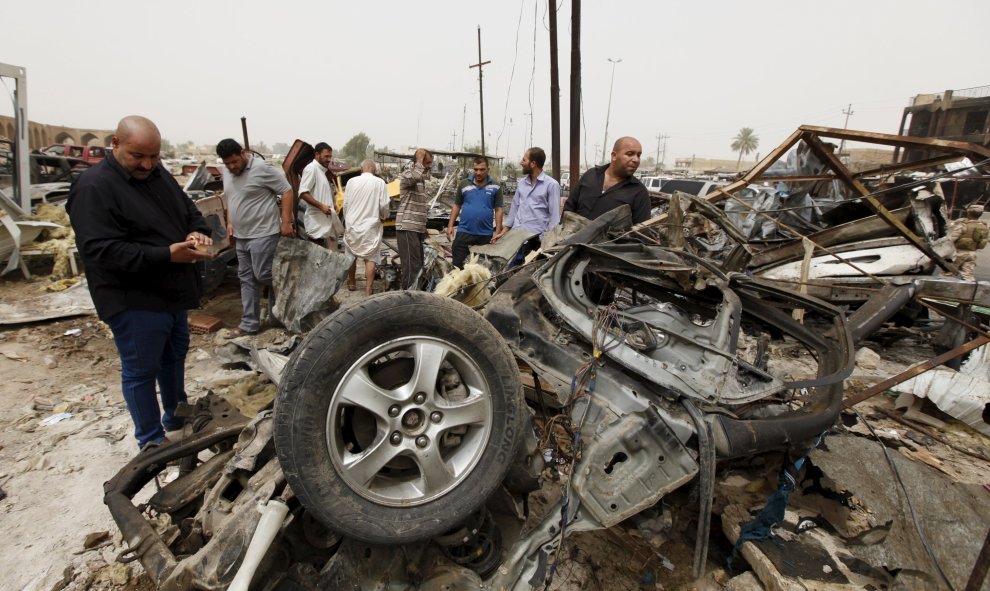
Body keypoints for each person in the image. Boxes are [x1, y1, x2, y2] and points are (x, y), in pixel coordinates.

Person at [67, 115, 213, 449]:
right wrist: (165, 255)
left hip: (171, 291)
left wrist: (196, 232)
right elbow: (100, 251)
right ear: (115, 144)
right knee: (141, 369)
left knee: (174, 354)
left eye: (154, 156)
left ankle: (176, 414)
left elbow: (191, 213)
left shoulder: (158, 174)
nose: (147, 164)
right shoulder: (94, 186)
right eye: (138, 156)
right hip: (133, 298)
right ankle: (150, 439)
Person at [216, 138, 295, 336]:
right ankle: (249, 323)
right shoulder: (226, 171)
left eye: (234, 161)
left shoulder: (262, 169)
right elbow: (231, 198)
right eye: (227, 164)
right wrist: (229, 222)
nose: (232, 167)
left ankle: (287, 308)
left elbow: (286, 191)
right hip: (241, 237)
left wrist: (285, 222)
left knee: (265, 275)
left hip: (264, 233)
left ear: (243, 153)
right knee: (246, 279)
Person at [494, 147, 560, 264]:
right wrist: (504, 232)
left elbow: (554, 218)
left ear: (533, 163)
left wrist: (547, 246)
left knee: (525, 277)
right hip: (516, 239)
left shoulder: (551, 185)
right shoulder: (522, 183)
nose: (521, 162)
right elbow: (514, 208)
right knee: (508, 274)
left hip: (535, 242)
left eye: (524, 160)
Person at [564, 136, 651, 224]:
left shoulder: (639, 192)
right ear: (614, 156)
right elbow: (569, 207)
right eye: (630, 154)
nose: (636, 159)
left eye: (638, 155)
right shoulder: (590, 175)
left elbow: (640, 232)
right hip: (573, 236)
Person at [343, 159, 390, 295]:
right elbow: (384, 205)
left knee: (350, 255)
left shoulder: (351, 182)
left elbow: (345, 204)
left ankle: (352, 282)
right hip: (371, 226)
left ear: (362, 169)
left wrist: (348, 220)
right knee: (371, 257)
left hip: (352, 224)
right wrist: (383, 216)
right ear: (374, 169)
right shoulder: (380, 183)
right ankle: (368, 289)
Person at [447, 157, 503, 268]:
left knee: (480, 271)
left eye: (482, 169)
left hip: (485, 236)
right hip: (464, 233)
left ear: (488, 169)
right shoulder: (464, 184)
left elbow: (498, 210)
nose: (478, 172)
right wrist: (450, 226)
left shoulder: (496, 186)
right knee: (457, 268)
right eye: (476, 169)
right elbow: (457, 205)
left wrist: (497, 232)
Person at [395, 148, 432, 289]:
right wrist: (419, 159)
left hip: (416, 228)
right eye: (426, 162)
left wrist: (424, 227)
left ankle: (414, 296)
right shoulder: (408, 175)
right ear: (419, 162)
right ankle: (408, 300)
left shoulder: (421, 180)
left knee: (418, 266)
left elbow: (420, 207)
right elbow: (415, 175)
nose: (429, 166)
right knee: (411, 268)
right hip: (407, 227)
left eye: (430, 163)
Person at [298, 142, 342, 250]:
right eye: (326, 156)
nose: (328, 159)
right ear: (317, 155)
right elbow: (303, 192)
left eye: (330, 156)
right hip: (317, 224)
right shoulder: (311, 169)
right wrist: (321, 206)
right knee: (317, 258)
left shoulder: (322, 171)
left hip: (325, 225)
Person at [949, 203, 988, 281]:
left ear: (969, 213)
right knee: (968, 276)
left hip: (958, 254)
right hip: (972, 254)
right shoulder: (983, 226)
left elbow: (951, 239)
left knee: (947, 273)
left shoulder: (963, 225)